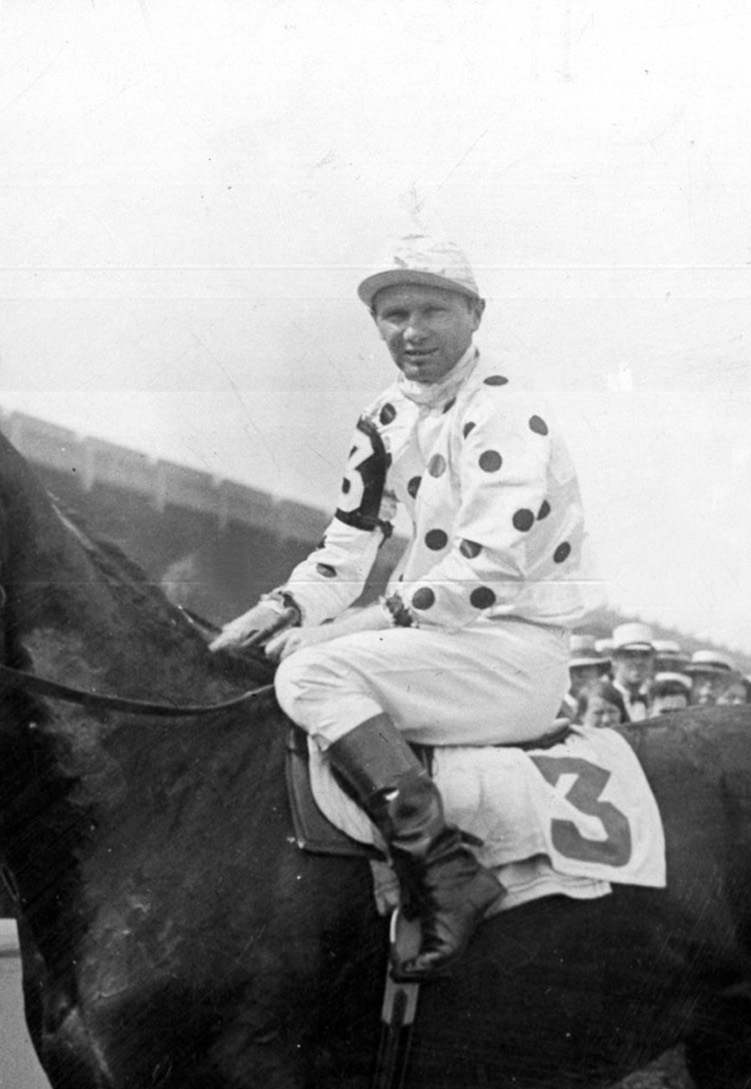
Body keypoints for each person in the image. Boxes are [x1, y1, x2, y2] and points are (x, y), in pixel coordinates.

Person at [211, 233, 600, 979]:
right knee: (282, 661)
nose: (411, 332)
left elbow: (480, 574)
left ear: (476, 314)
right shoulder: (385, 417)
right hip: (441, 644)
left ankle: (446, 875)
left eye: (430, 311)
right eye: (393, 315)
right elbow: (348, 545)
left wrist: (351, 624)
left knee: (311, 678)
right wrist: (283, 605)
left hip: (510, 650)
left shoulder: (509, 414)